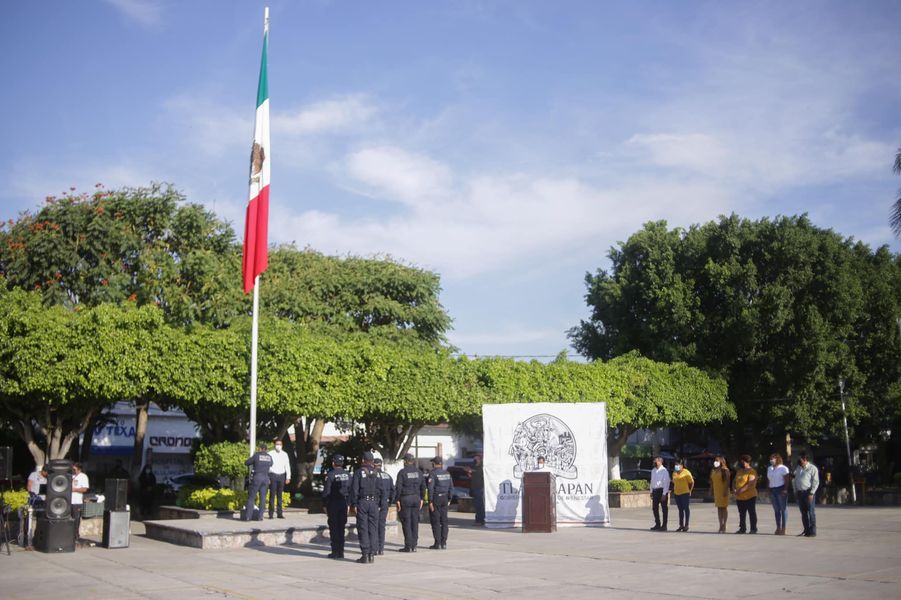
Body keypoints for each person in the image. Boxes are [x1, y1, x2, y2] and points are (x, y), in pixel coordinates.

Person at [350, 451, 382, 564]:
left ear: (363, 460)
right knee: (373, 528)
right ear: (372, 461)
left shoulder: (359, 472)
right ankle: (372, 554)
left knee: (363, 528)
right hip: (374, 503)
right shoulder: (377, 473)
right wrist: (379, 503)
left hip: (363, 502)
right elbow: (380, 489)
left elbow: (354, 489)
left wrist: (353, 504)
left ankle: (365, 554)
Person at [394, 452, 425, 552]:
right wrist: (422, 498)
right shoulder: (419, 472)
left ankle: (408, 546)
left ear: (406, 461)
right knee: (415, 522)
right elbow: (423, 486)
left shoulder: (402, 472)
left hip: (405, 498)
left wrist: (397, 500)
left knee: (406, 522)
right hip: (416, 498)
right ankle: (414, 545)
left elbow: (398, 487)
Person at [321, 454, 350, 559]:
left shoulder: (331, 475)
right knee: (341, 528)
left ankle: (335, 552)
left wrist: (324, 504)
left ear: (333, 463)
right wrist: (349, 504)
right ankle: (341, 551)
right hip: (343, 503)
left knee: (334, 528)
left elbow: (326, 492)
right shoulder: (347, 475)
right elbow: (351, 490)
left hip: (333, 504)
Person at [427, 456, 453, 549]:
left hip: (436, 499)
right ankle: (444, 542)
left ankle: (437, 543)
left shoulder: (433, 474)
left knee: (436, 521)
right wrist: (449, 499)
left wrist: (430, 501)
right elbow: (451, 487)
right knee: (444, 521)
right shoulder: (447, 473)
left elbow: (430, 488)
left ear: (434, 464)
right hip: (445, 498)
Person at [243, 443, 273, 521]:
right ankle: (260, 517)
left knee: (251, 497)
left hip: (257, 477)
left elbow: (247, 462)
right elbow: (271, 464)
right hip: (266, 478)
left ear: (260, 448)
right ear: (266, 449)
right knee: (263, 498)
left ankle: (248, 516)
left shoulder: (257, 455)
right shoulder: (269, 457)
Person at [793, 453, 819, 537]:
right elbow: (796, 480)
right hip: (800, 493)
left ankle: (813, 531)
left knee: (811, 512)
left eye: (800, 459)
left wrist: (811, 493)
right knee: (803, 513)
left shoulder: (812, 468)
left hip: (808, 493)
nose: (798, 461)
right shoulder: (798, 468)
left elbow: (816, 482)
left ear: (805, 459)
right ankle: (806, 530)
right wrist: (796, 491)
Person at [373, 457, 395, 555]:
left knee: (374, 525)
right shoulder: (388, 476)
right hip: (385, 504)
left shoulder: (373, 476)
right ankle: (381, 548)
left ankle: (375, 547)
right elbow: (393, 491)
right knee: (382, 525)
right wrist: (389, 502)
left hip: (375, 503)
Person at [732, 455, 758, 534]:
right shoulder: (740, 471)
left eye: (743, 461)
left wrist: (741, 490)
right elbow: (734, 481)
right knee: (742, 513)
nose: (741, 463)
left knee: (751, 512)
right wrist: (734, 488)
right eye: (741, 461)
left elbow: (750, 484)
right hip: (739, 497)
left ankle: (753, 528)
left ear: (748, 462)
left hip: (750, 496)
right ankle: (742, 528)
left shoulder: (752, 471)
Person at [267, 438, 291, 519]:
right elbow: (267, 466)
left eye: (280, 444)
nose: (278, 446)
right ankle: (271, 513)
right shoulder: (270, 453)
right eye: (277, 444)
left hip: (282, 475)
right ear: (274, 445)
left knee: (280, 495)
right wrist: (268, 476)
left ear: (282, 445)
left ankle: (279, 513)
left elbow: (287, 466)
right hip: (273, 475)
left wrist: (288, 477)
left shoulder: (285, 454)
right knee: (272, 495)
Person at [767, 453, 790, 535]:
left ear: (777, 459)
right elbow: (769, 479)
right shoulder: (770, 468)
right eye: (770, 458)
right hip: (772, 489)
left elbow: (787, 480)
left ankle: (784, 528)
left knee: (783, 509)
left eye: (773, 458)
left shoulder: (783, 468)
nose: (771, 460)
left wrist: (785, 490)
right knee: (776, 510)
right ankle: (778, 527)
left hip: (781, 489)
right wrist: (768, 489)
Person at [672, 459, 694, 532]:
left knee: (686, 508)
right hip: (677, 493)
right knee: (680, 509)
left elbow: (691, 482)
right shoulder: (674, 473)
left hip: (685, 493)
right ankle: (681, 525)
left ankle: (686, 525)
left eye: (677, 465)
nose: (676, 466)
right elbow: (674, 482)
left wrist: (690, 491)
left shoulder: (686, 472)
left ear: (681, 466)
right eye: (675, 465)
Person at [710, 455, 730, 533]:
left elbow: (728, 482)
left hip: (723, 491)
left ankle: (724, 525)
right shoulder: (713, 471)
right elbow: (712, 481)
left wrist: (725, 491)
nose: (715, 462)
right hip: (716, 491)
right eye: (715, 461)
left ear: (721, 462)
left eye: (717, 461)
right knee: (719, 508)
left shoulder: (725, 470)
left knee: (724, 508)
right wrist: (711, 490)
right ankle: (720, 525)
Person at [649, 456, 671, 531]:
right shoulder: (653, 470)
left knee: (664, 509)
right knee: (654, 508)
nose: (654, 462)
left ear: (660, 462)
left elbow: (666, 483)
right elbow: (652, 481)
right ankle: (657, 524)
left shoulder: (664, 471)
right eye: (654, 461)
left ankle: (664, 525)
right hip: (655, 491)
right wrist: (651, 491)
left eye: (656, 461)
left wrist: (664, 494)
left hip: (661, 491)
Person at [71, 463, 89, 541]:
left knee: (76, 519)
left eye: (74, 469)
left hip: (77, 501)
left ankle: (75, 535)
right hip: (69, 501)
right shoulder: (72, 476)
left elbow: (85, 489)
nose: (73, 471)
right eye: (72, 469)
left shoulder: (83, 476)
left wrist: (75, 490)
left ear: (79, 469)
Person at [469, 454, 485, 526]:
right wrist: (470, 473)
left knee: (480, 505)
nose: (475, 460)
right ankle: (479, 519)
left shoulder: (482, 467)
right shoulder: (474, 466)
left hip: (480, 488)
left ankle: (480, 520)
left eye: (476, 459)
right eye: (474, 459)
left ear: (480, 459)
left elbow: (478, 472)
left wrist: (472, 471)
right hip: (474, 487)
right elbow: (472, 476)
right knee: (477, 505)